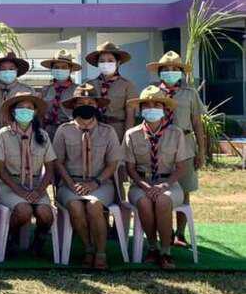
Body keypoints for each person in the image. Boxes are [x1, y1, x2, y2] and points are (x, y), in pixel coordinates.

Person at [52, 84, 122, 270]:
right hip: (70, 183)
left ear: (97, 106)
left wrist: (95, 183)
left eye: (90, 102)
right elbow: (58, 162)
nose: (86, 106)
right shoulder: (63, 130)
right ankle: (88, 248)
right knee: (75, 205)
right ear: (74, 106)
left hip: (101, 183)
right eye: (81, 103)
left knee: (93, 205)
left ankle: (101, 252)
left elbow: (112, 164)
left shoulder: (108, 131)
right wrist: (71, 184)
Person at [123, 86, 194, 270]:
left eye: (156, 105)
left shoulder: (176, 133)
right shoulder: (132, 134)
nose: (151, 108)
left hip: (169, 183)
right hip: (141, 184)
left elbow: (181, 167)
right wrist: (144, 186)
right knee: (144, 203)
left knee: (163, 201)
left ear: (164, 108)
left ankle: (166, 251)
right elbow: (130, 169)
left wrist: (164, 185)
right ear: (141, 109)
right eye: (147, 105)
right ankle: (152, 247)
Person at [148, 50, 206, 247]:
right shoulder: (153, 92)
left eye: (175, 69)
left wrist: (201, 151)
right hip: (160, 144)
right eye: (166, 69)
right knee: (160, 188)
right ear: (160, 72)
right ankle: (165, 231)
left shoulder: (190, 93)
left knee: (184, 189)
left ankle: (180, 233)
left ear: (181, 72)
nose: (170, 72)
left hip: (186, 144)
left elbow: (197, 123)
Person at [0, 92, 56, 258]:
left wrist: (39, 191)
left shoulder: (43, 135)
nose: (25, 111)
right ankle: (10, 238)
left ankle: (39, 241)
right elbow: (0, 170)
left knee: (46, 214)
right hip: (10, 184)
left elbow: (49, 168)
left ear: (34, 112)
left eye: (29, 108)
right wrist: (19, 190)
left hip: (35, 185)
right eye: (21, 108)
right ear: (13, 112)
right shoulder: (3, 135)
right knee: (23, 210)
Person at [86, 41, 137, 145]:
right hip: (94, 129)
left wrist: (126, 140)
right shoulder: (89, 85)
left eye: (110, 61)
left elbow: (130, 116)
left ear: (118, 63)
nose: (106, 64)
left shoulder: (127, 85)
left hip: (117, 129)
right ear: (98, 64)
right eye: (102, 61)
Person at [0, 51, 34, 151]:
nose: (7, 72)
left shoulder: (27, 91)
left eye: (11, 69)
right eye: (3, 69)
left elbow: (35, 117)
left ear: (17, 70)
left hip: (18, 135)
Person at [39, 49, 80, 140]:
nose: (60, 70)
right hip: (48, 131)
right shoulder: (45, 90)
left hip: (70, 130)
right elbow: (40, 112)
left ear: (70, 70)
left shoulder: (77, 90)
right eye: (56, 67)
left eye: (64, 67)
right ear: (52, 69)